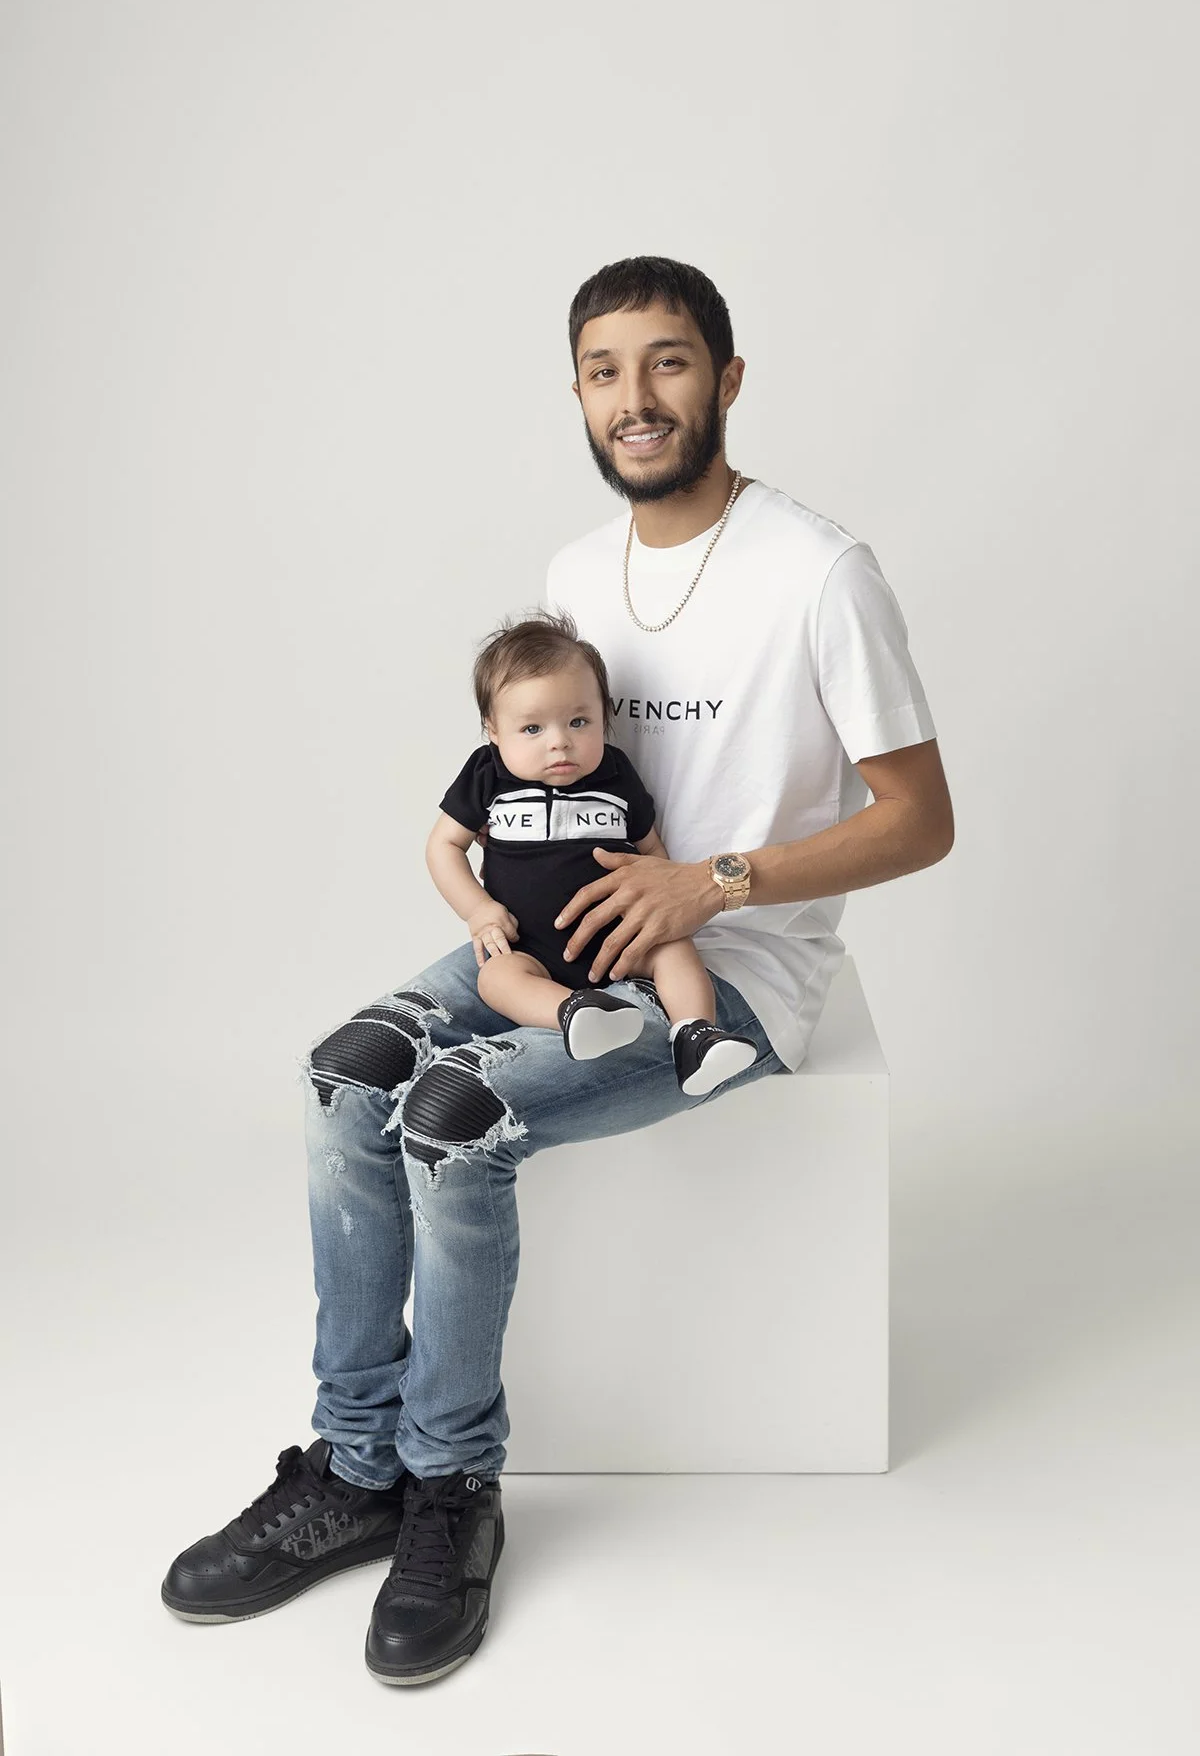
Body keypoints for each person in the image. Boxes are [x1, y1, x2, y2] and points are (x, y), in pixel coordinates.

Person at [161, 254, 954, 1688]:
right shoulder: (580, 574)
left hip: (725, 973)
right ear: (578, 394)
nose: (635, 397)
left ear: (726, 377)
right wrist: (480, 913)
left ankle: (453, 1490)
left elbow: (924, 820)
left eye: (667, 362)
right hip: (538, 941)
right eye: (604, 369)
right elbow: (531, 772)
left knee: (456, 1124)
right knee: (346, 1083)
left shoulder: (822, 573)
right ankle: (355, 1465)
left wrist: (709, 883)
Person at [431, 610, 759, 1093]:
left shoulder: (615, 773)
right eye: (532, 729)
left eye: (578, 721)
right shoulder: (487, 776)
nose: (560, 742)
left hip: (622, 934)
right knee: (496, 979)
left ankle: (696, 1035)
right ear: (493, 730)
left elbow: (652, 850)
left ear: (604, 716)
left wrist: (660, 905)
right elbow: (443, 846)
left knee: (673, 950)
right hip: (530, 945)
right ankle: (574, 1013)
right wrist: (478, 910)